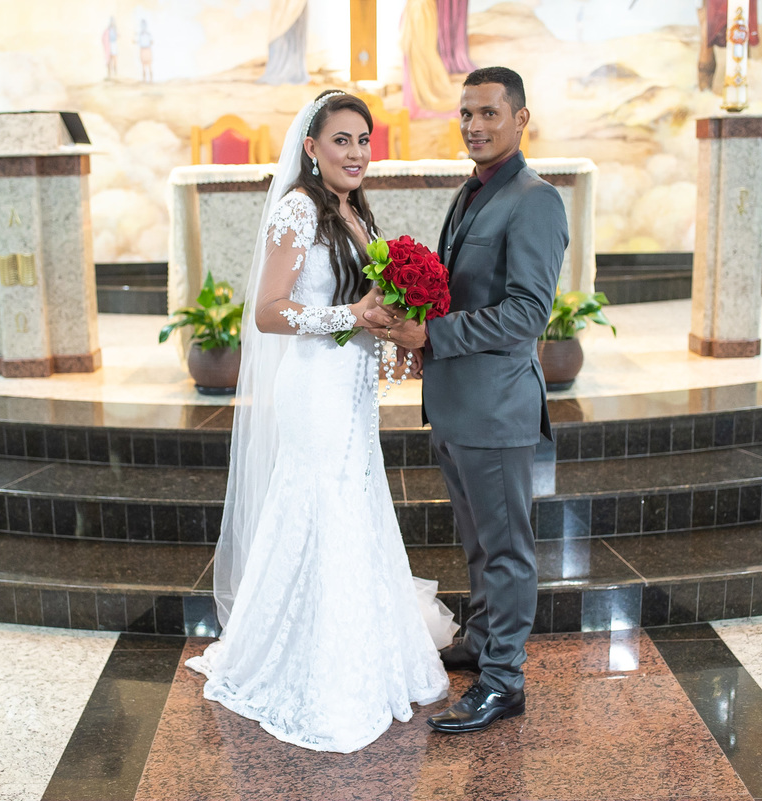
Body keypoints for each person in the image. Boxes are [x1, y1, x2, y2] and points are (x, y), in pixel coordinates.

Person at [185, 90, 456, 754]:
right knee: (320, 505)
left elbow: (366, 305)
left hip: (351, 385)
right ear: (311, 148)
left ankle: (357, 648)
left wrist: (395, 328)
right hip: (313, 388)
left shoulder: (353, 211)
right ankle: (314, 668)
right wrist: (352, 316)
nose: (356, 153)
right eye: (341, 140)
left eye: (364, 140)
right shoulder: (299, 208)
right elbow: (268, 311)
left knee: (354, 503)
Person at [365, 66, 568, 734]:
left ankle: (504, 681)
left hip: (497, 409)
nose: (474, 126)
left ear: (520, 118)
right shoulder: (472, 192)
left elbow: (527, 314)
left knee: (506, 550)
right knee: (479, 544)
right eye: (466, 114)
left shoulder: (535, 200)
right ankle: (481, 642)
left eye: (489, 113)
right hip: (456, 404)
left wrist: (433, 334)